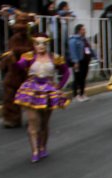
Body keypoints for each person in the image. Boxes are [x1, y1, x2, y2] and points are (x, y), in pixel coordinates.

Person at [13, 33, 70, 162]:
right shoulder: (28, 57)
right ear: (33, 45)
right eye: (37, 43)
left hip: (48, 91)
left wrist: (59, 85)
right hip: (32, 90)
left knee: (44, 122)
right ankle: (35, 150)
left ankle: (42, 146)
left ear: (47, 45)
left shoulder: (54, 58)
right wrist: (12, 60)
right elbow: (19, 66)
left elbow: (66, 71)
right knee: (33, 121)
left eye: (43, 43)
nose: (40, 46)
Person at [68, 24, 95, 101]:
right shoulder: (73, 40)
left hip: (85, 61)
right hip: (79, 61)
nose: (85, 31)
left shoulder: (84, 39)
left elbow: (89, 48)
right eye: (83, 29)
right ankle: (76, 94)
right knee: (77, 78)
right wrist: (75, 62)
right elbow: (73, 52)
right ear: (79, 30)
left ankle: (82, 93)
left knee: (83, 78)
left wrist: (94, 56)